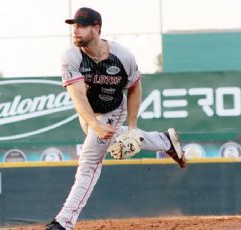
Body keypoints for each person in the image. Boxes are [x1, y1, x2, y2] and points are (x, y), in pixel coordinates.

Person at [45, 7, 186, 230]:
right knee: (104, 137)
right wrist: (94, 124)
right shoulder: (71, 56)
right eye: (74, 26)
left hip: (113, 109)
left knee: (89, 163)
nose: (75, 30)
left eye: (81, 25)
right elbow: (77, 95)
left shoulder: (123, 56)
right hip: (89, 112)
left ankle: (63, 222)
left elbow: (135, 88)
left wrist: (131, 128)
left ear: (96, 28)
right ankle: (164, 141)